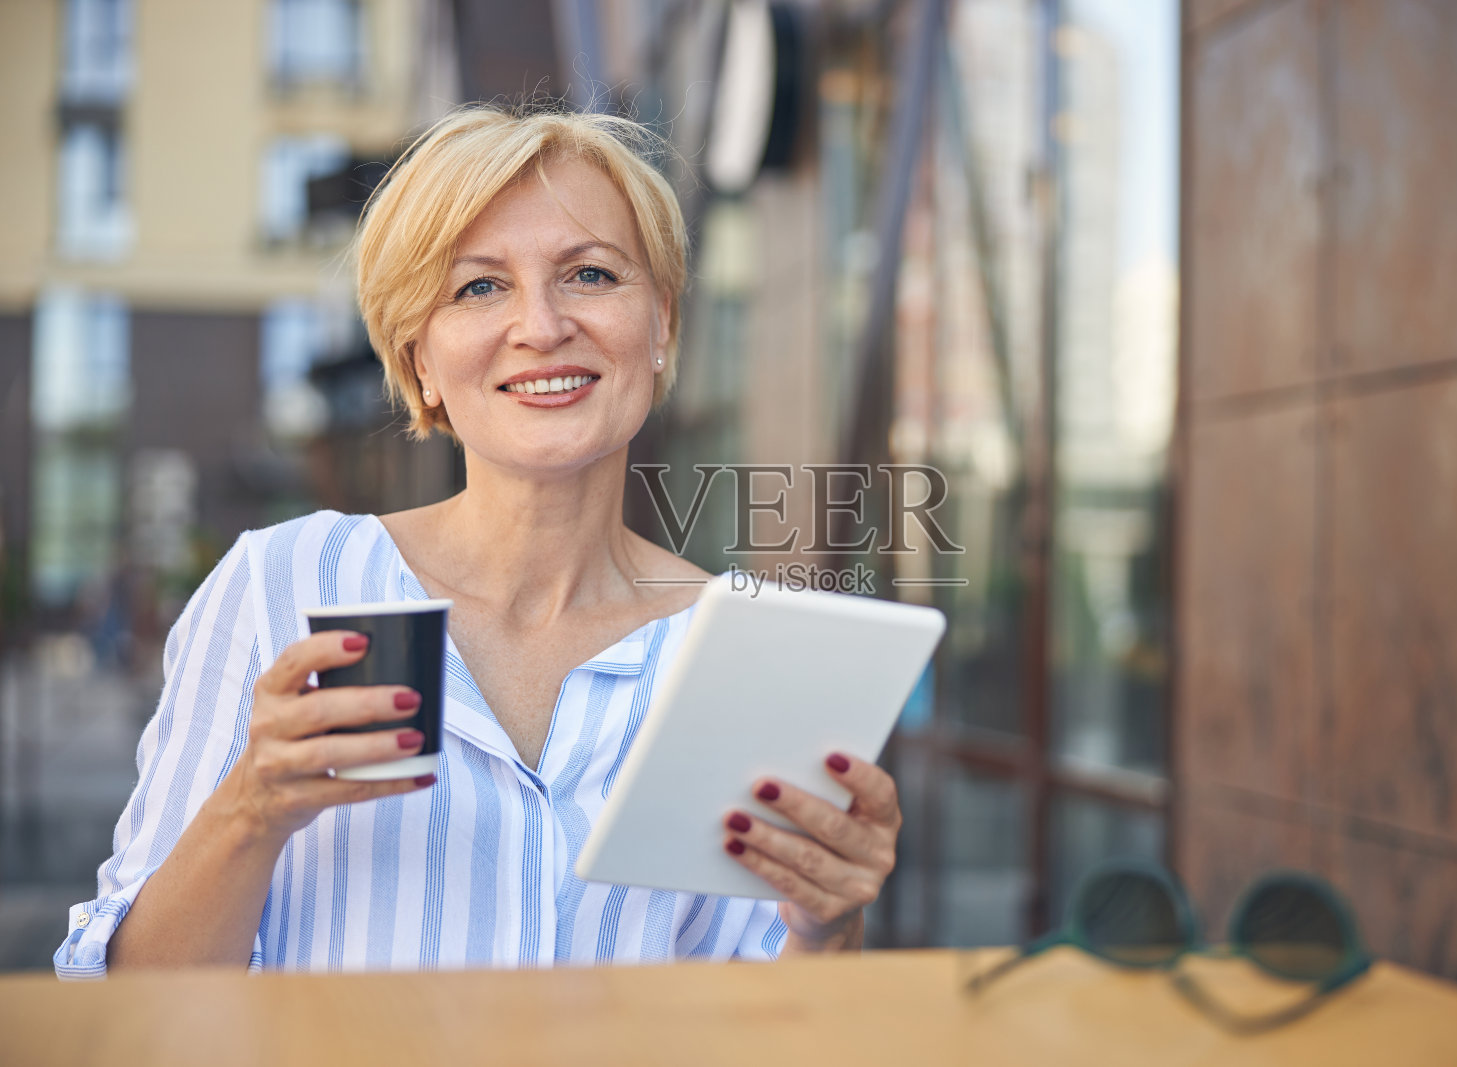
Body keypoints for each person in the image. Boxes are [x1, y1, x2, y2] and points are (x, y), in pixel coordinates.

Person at [55, 104, 901, 976]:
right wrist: (249, 810)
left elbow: (774, 1024)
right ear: (419, 357)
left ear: (662, 325)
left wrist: (828, 927)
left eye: (592, 275)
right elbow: (126, 1001)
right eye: (478, 286)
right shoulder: (284, 583)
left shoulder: (740, 652)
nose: (540, 325)